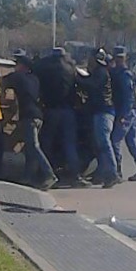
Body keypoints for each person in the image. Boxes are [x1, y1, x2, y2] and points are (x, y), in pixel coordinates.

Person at [4, 55, 58, 190]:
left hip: (29, 116)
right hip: (38, 115)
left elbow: (3, 80)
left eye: (17, 64)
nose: (15, 67)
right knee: (29, 148)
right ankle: (28, 177)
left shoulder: (18, 76)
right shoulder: (34, 79)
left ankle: (49, 174)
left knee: (33, 146)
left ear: (22, 66)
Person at [34, 48, 81, 184]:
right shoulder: (70, 67)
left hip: (51, 108)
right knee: (70, 143)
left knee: (47, 141)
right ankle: (75, 174)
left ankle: (46, 172)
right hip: (68, 109)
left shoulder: (45, 66)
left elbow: (35, 71)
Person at [76, 48, 120, 188]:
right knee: (99, 145)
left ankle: (112, 174)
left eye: (90, 59)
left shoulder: (101, 73)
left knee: (104, 144)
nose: (88, 61)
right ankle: (102, 174)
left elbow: (91, 85)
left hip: (104, 112)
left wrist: (76, 78)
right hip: (99, 111)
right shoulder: (97, 73)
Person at [110, 50, 136, 182]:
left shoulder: (124, 75)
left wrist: (123, 115)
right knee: (131, 141)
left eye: (120, 58)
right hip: (131, 110)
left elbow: (128, 97)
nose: (118, 60)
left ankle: (117, 172)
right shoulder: (117, 72)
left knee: (115, 141)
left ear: (124, 59)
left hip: (128, 111)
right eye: (116, 58)